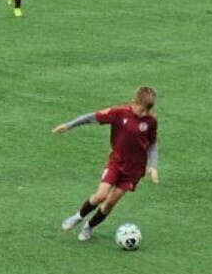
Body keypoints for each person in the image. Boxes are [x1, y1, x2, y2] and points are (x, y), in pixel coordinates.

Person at [54, 86, 160, 241]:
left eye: (148, 110)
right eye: (142, 110)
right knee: (100, 196)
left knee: (110, 202)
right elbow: (91, 117)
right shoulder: (119, 113)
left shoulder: (151, 121)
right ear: (134, 102)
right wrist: (69, 125)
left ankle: (89, 227)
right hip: (116, 163)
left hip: (134, 171)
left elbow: (153, 144)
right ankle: (77, 217)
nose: (145, 114)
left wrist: (153, 165)